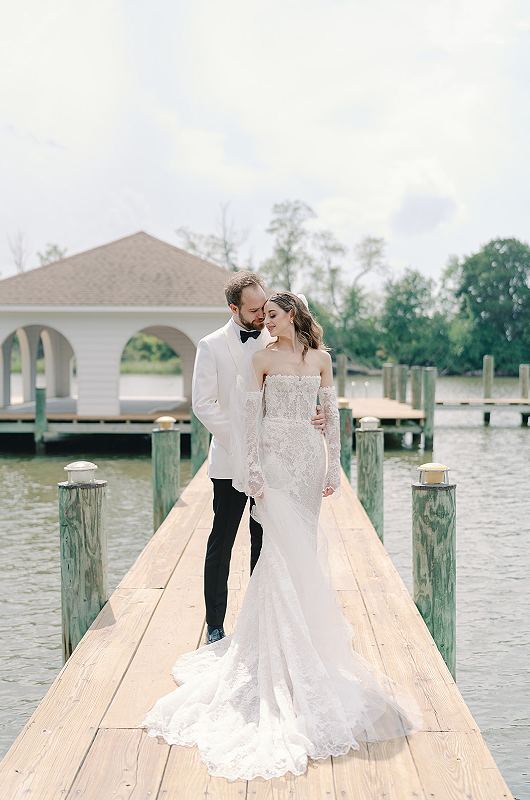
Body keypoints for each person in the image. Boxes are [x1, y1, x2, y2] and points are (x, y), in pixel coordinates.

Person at [141, 291, 424, 781]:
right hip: (273, 461)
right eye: (260, 314)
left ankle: (310, 644)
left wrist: (333, 462)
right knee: (274, 554)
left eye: (271, 314)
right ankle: (270, 650)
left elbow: (329, 412)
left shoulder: (321, 358)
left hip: (310, 459)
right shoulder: (260, 357)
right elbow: (250, 419)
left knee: (304, 554)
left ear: (291, 314)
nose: (265, 321)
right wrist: (252, 473)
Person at [189, 272, 326, 644]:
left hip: (279, 461)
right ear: (233, 308)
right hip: (230, 458)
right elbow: (204, 404)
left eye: (265, 307)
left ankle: (261, 621)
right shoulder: (211, 345)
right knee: (223, 539)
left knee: (265, 539)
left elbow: (303, 383)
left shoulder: (278, 335)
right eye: (253, 310)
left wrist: (313, 415)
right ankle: (215, 624)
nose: (262, 315)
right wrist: (248, 443)